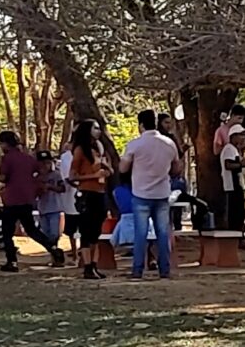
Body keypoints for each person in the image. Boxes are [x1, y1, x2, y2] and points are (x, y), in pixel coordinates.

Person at [120, 109, 180, 280]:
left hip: (141, 193)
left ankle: (137, 269)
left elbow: (123, 168)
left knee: (141, 234)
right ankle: (165, 270)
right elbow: (177, 167)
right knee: (163, 233)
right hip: (162, 193)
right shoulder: (169, 143)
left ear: (140, 125)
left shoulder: (135, 144)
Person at [0, 129, 58, 271]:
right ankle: (51, 247)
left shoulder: (7, 158)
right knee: (31, 229)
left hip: (12, 198)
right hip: (27, 198)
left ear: (4, 144)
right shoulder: (28, 158)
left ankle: (12, 261)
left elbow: (3, 177)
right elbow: (40, 172)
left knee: (7, 232)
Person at [65, 119, 112, 280]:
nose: (98, 131)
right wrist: (93, 176)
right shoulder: (80, 150)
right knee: (86, 230)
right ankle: (86, 266)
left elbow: (108, 169)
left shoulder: (98, 148)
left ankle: (94, 265)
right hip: (87, 193)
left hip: (100, 192)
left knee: (96, 231)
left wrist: (107, 169)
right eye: (95, 128)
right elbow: (72, 176)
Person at [217, 120, 245, 239]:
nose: (243, 138)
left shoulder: (235, 150)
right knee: (236, 213)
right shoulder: (229, 149)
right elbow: (228, 165)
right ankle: (235, 237)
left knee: (239, 212)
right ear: (233, 136)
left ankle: (238, 236)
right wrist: (241, 164)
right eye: (241, 135)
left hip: (237, 185)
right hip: (232, 186)